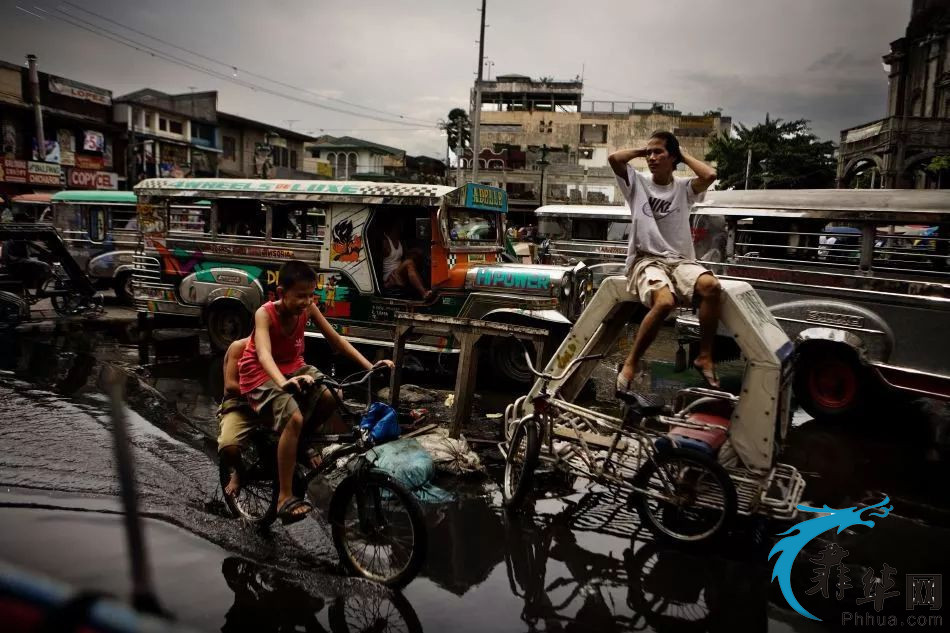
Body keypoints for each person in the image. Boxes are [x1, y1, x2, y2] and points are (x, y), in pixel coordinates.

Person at [237, 260, 394, 525]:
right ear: (280, 292)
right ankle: (284, 497)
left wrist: (371, 366)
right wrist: (281, 382)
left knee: (334, 396)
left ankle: (301, 443)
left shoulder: (309, 308)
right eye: (300, 296)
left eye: (311, 295)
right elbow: (263, 354)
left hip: (295, 368)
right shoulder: (265, 314)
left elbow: (337, 340)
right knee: (294, 418)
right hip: (261, 374)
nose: (307, 301)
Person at [608, 131, 720, 392]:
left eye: (659, 152)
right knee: (665, 302)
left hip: (680, 260)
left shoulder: (683, 188)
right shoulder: (636, 182)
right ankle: (631, 362)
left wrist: (682, 154)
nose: (652, 157)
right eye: (650, 153)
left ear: (673, 157)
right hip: (647, 260)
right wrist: (643, 150)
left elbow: (710, 176)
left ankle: (704, 356)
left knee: (711, 287)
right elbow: (615, 159)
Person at [381, 219, 433, 301]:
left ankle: (426, 288)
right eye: (398, 227)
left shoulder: (400, 241)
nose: (400, 229)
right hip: (390, 275)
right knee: (409, 262)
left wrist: (418, 251)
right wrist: (385, 283)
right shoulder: (385, 242)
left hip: (399, 271)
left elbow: (406, 254)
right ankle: (424, 293)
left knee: (414, 258)